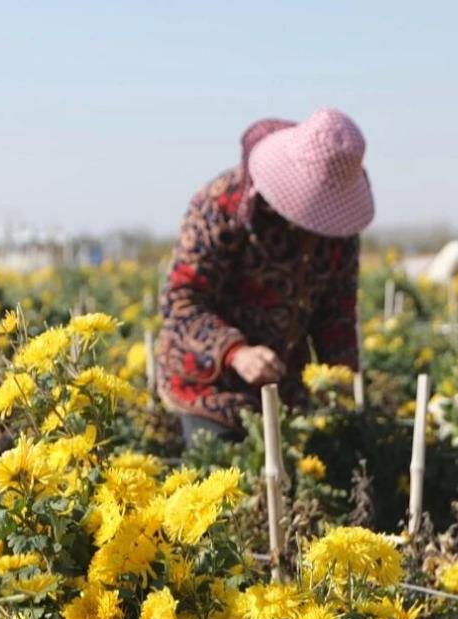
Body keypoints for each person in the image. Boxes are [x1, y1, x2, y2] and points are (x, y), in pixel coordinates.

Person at [155, 108, 374, 446]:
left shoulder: (339, 229)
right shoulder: (221, 205)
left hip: (282, 392)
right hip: (209, 386)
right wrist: (236, 352)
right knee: (221, 479)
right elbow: (181, 299)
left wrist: (342, 389)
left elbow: (337, 316)